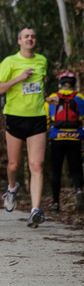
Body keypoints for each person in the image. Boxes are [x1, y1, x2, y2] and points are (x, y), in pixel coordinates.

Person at [0, 28, 48, 228]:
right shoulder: (10, 62)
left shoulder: (42, 60)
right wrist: (19, 78)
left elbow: (41, 87)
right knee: (14, 165)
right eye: (26, 36)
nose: (30, 39)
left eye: (33, 36)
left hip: (38, 118)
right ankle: (12, 188)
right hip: (15, 118)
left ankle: (35, 210)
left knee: (37, 165)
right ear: (19, 41)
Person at [45, 72, 84, 212]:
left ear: (60, 83)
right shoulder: (80, 98)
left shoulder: (51, 98)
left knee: (56, 171)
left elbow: (47, 120)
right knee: (76, 169)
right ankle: (79, 190)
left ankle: (55, 202)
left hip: (57, 138)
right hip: (75, 138)